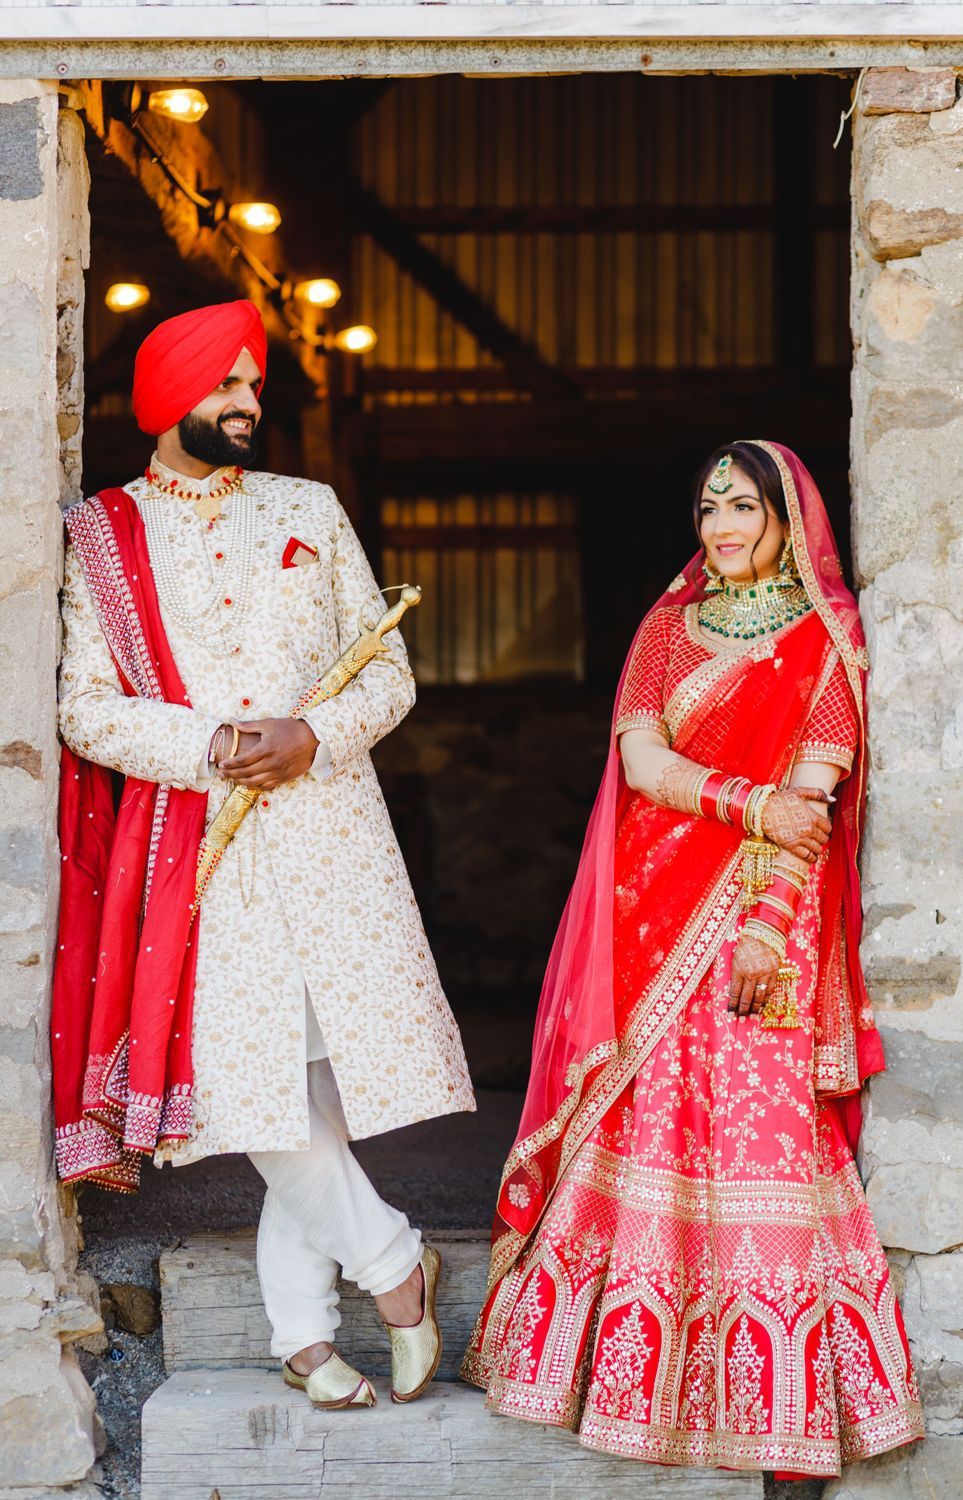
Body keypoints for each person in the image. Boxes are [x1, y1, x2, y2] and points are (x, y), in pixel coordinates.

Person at [463, 441, 924, 1478]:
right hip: (651, 910)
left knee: (763, 1142)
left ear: (787, 522)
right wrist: (748, 801)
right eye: (708, 507)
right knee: (648, 1120)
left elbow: (813, 803)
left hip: (764, 920)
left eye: (743, 507)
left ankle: (776, 1412)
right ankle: (622, 1384)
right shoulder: (665, 630)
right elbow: (640, 762)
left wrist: (766, 923)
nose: (720, 526)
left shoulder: (826, 640)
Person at [53, 298, 475, 1411]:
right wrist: (215, 746)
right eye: (227, 383)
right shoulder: (103, 537)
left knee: (309, 1086)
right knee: (249, 1088)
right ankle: (396, 1266)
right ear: (166, 397)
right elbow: (84, 707)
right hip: (202, 850)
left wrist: (314, 735)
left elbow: (387, 674)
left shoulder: (307, 508)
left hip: (333, 838)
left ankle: (300, 1335)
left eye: (253, 382)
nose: (249, 401)